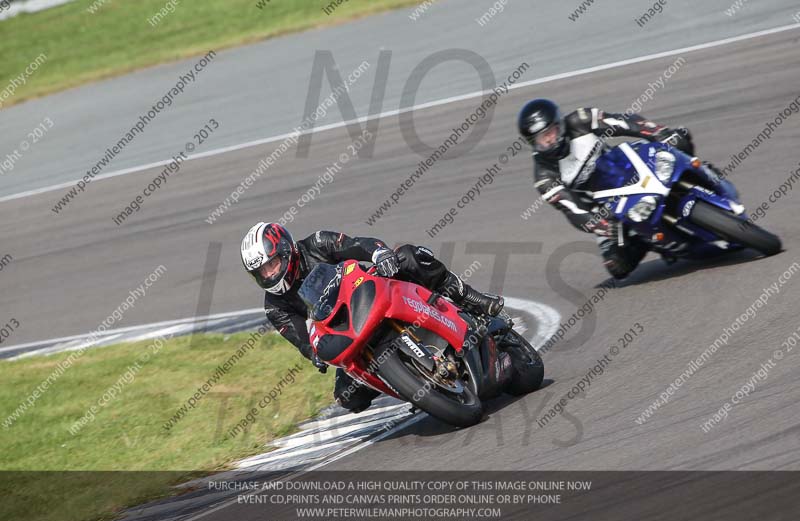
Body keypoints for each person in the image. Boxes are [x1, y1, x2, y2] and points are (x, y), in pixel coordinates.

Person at [240, 222, 504, 413]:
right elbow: (304, 342)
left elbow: (357, 245)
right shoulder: (275, 306)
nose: (269, 275)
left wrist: (379, 253)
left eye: (271, 264)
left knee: (409, 257)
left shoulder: (317, 243)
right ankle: (413, 384)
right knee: (347, 397)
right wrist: (315, 356)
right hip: (345, 332)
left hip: (367, 293)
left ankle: (469, 297)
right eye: (261, 272)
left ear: (286, 250)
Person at [517, 98, 736, 279]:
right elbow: (572, 209)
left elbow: (624, 122)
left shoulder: (580, 120)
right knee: (617, 267)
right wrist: (600, 226)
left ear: (560, 124)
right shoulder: (544, 176)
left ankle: (705, 172)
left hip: (628, 164)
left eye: (551, 132)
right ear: (532, 143)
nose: (549, 141)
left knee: (679, 140)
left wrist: (659, 132)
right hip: (608, 209)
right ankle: (652, 241)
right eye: (541, 139)